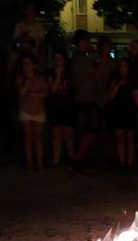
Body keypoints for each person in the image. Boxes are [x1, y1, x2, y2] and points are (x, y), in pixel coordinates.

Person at [71, 30, 99, 165]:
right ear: (81, 42)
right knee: (89, 131)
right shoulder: (81, 59)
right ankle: (78, 159)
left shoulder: (79, 57)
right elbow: (96, 73)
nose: (89, 43)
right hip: (85, 100)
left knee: (87, 131)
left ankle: (84, 158)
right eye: (87, 40)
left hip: (83, 99)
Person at [16, 54, 48, 171]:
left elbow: (45, 93)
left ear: (34, 65)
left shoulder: (40, 79)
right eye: (24, 63)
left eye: (28, 63)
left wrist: (32, 93)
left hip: (38, 110)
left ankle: (39, 162)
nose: (26, 66)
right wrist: (28, 81)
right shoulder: (20, 78)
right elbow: (21, 92)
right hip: (25, 110)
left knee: (38, 138)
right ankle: (29, 162)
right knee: (28, 137)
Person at [108, 58, 137, 168]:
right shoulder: (115, 79)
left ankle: (129, 163)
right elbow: (110, 96)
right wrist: (118, 85)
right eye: (121, 66)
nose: (123, 69)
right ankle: (122, 162)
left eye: (125, 66)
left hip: (130, 112)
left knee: (130, 140)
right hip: (118, 112)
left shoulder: (133, 80)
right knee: (120, 139)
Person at [47, 50, 74, 166]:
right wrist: (57, 75)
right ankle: (56, 160)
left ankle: (73, 159)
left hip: (68, 107)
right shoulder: (51, 73)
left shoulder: (70, 73)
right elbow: (52, 89)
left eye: (60, 59)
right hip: (56, 107)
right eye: (56, 59)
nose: (58, 62)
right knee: (56, 136)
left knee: (68, 136)